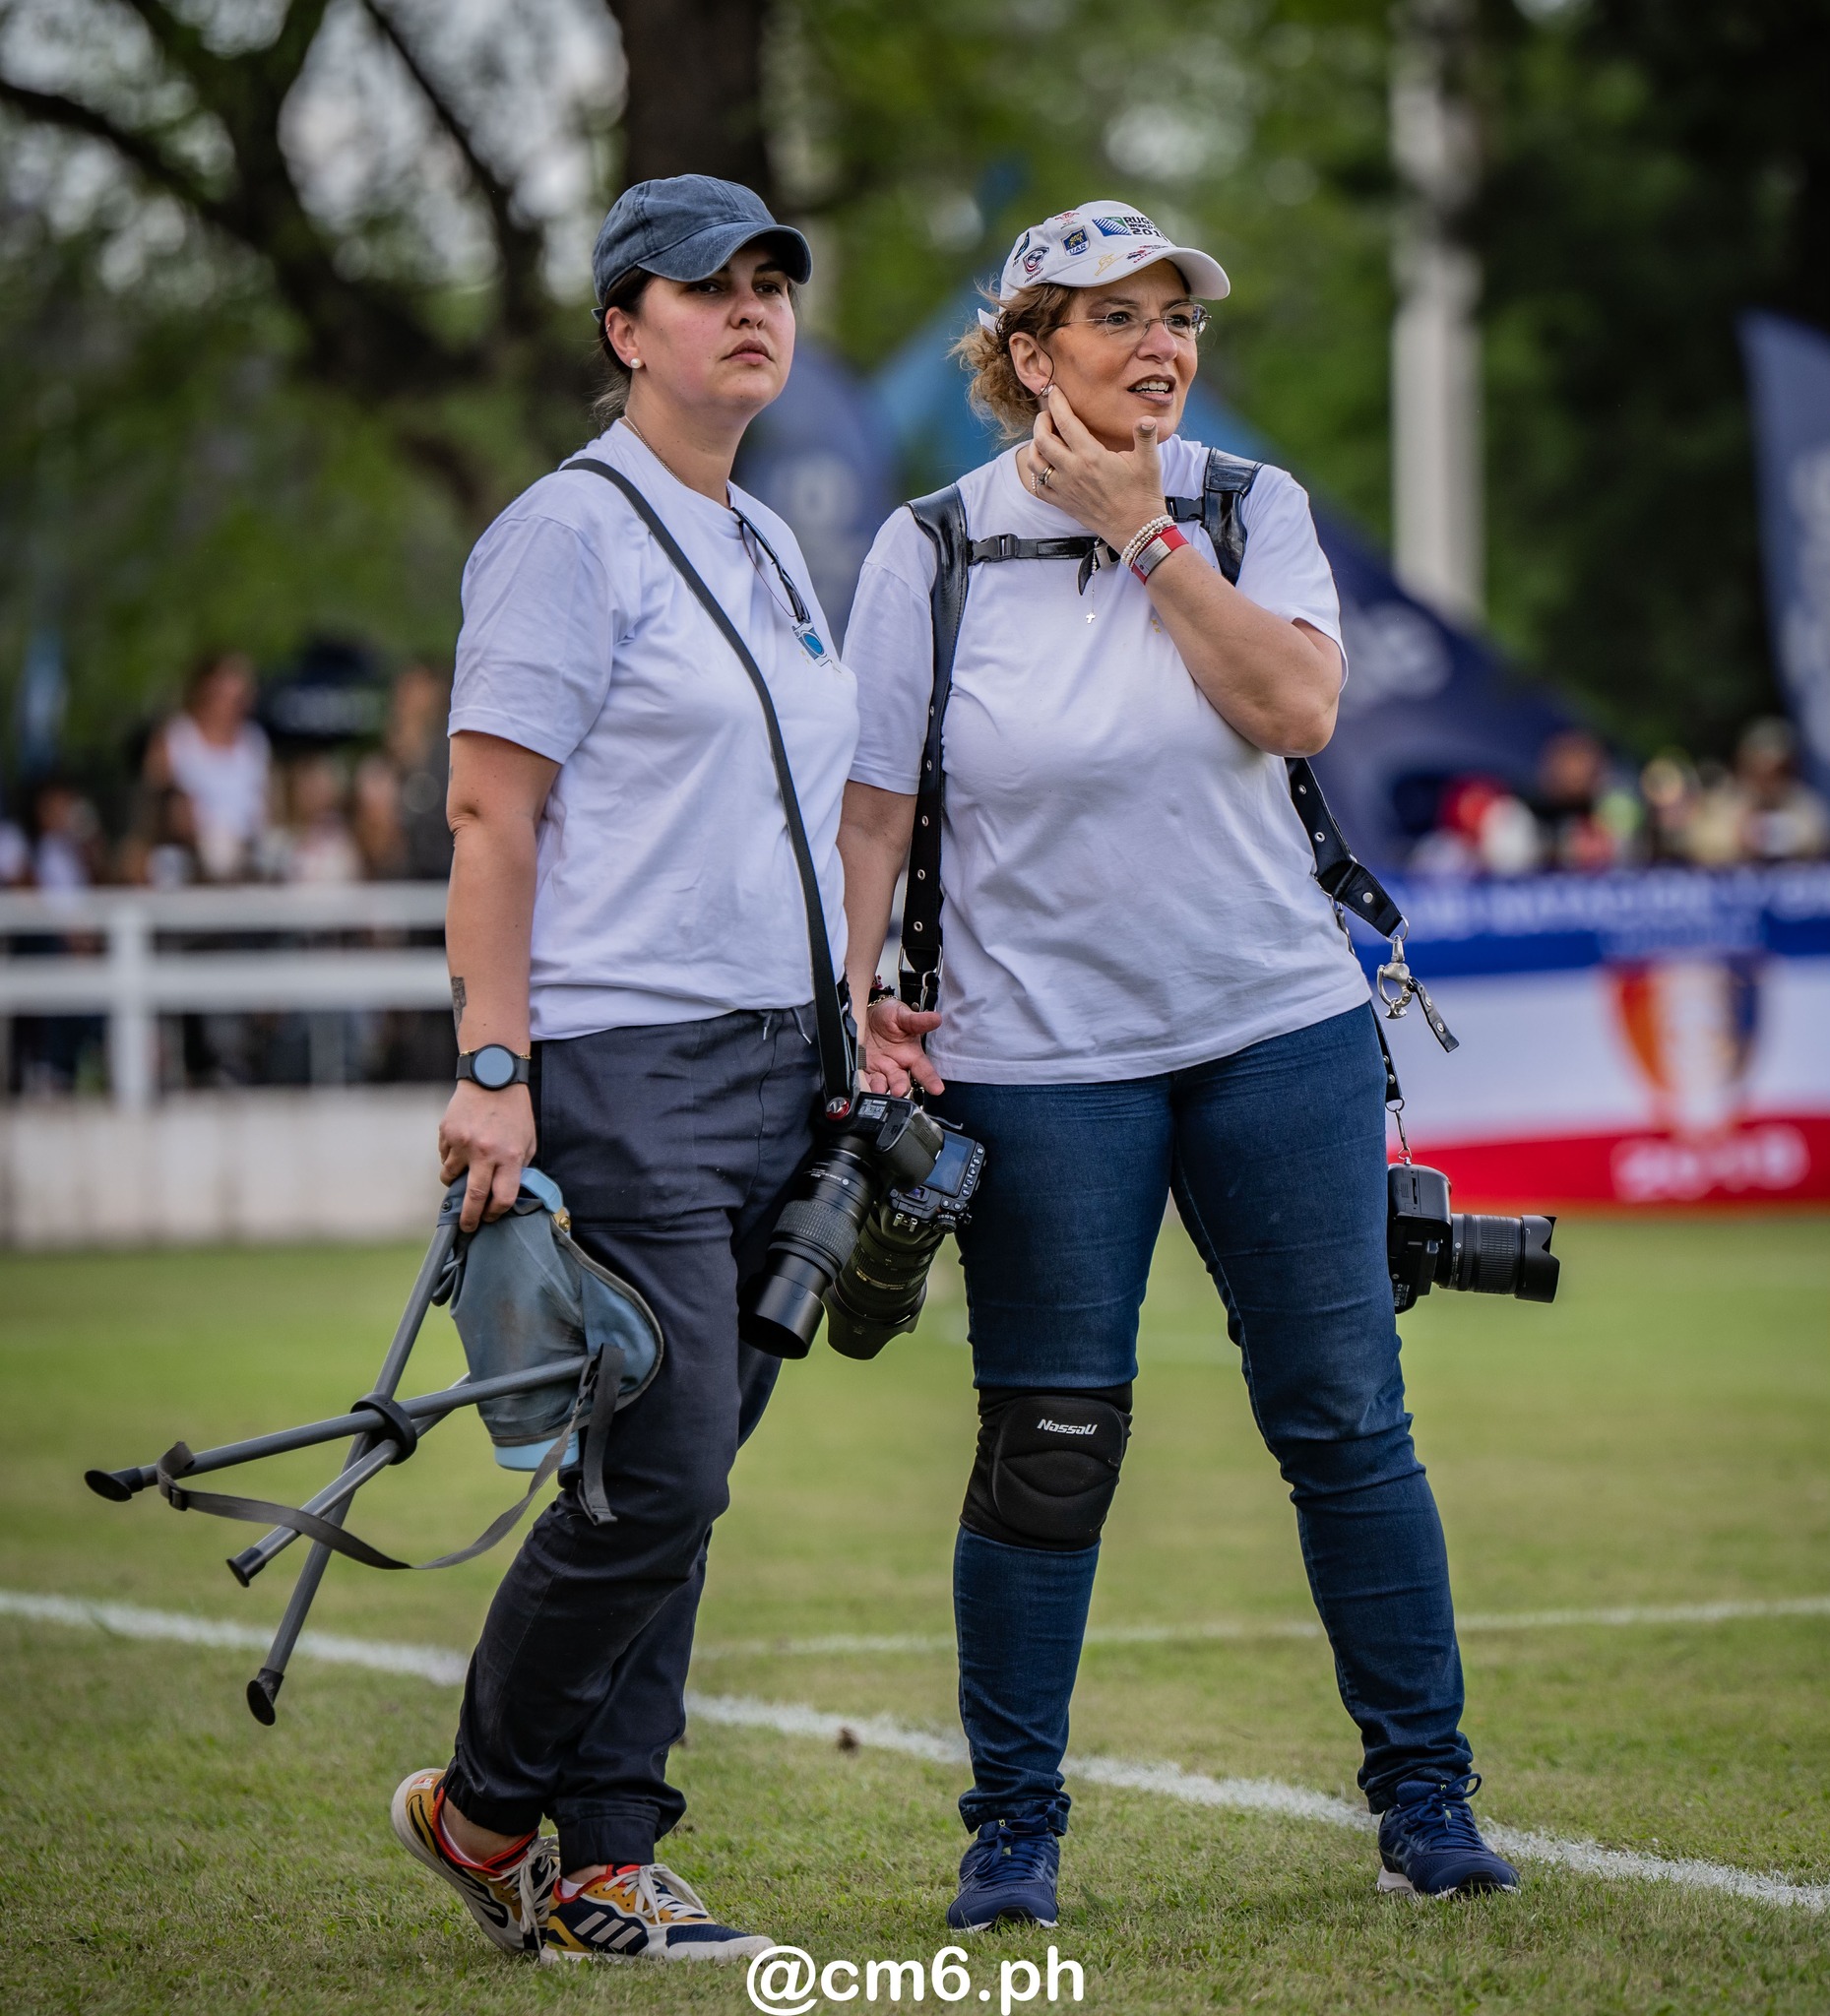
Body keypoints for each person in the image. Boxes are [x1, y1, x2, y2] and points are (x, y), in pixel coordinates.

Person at [839, 199, 1521, 1928]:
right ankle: (1011, 1831)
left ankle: (1423, 1802)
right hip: (1036, 1066)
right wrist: (848, 995)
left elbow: (1292, 709)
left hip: (1274, 1033)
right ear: (1024, 355)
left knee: (1344, 1420)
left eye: (1173, 315)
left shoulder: (1235, 504)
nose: (1157, 342)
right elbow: (872, 805)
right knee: (1046, 1440)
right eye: (1110, 316)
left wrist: (1147, 541)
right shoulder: (925, 546)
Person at [389, 174, 855, 1966]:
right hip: (618, 1059)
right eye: (700, 286)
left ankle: (604, 1859)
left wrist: (853, 1022)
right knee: (656, 1477)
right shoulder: (560, 535)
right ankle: (489, 1808)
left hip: (774, 1064)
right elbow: (489, 815)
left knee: (677, 1477)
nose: (747, 308)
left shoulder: (761, 538)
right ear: (620, 324)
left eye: (768, 283)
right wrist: (493, 1062)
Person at [144, 653, 272, 880]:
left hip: (245, 849)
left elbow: (265, 804)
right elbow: (153, 804)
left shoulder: (254, 741)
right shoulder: (176, 737)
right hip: (189, 851)